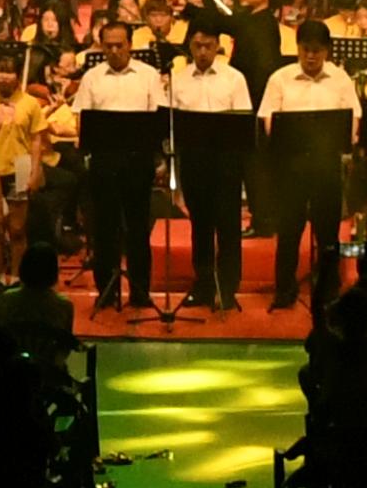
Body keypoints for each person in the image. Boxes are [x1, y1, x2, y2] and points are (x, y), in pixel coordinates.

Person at [258, 26, 361, 310]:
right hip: (290, 165)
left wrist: (344, 142)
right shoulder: (280, 78)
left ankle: (328, 289)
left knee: (328, 232)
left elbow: (353, 119)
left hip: (327, 164)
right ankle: (284, 290)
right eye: (305, 49)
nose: (311, 55)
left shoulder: (340, 80)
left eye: (317, 50)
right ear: (298, 47)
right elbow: (268, 120)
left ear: (327, 51)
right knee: (289, 230)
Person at [69, 26, 169, 310]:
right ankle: (107, 290)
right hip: (104, 160)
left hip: (138, 160)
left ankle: (139, 291)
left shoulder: (148, 75)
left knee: (138, 227)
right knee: (105, 228)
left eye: (119, 45)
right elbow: (83, 120)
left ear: (129, 45)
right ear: (102, 47)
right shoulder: (92, 77)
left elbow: (157, 118)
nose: (114, 51)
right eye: (108, 46)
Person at [166, 22, 254, 310]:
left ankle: (228, 287)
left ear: (218, 45)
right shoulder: (178, 79)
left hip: (226, 160)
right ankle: (203, 284)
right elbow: (173, 126)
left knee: (228, 224)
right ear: (189, 47)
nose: (203, 52)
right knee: (200, 224)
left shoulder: (235, 78)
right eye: (197, 46)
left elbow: (243, 122)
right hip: (194, 159)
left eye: (208, 46)